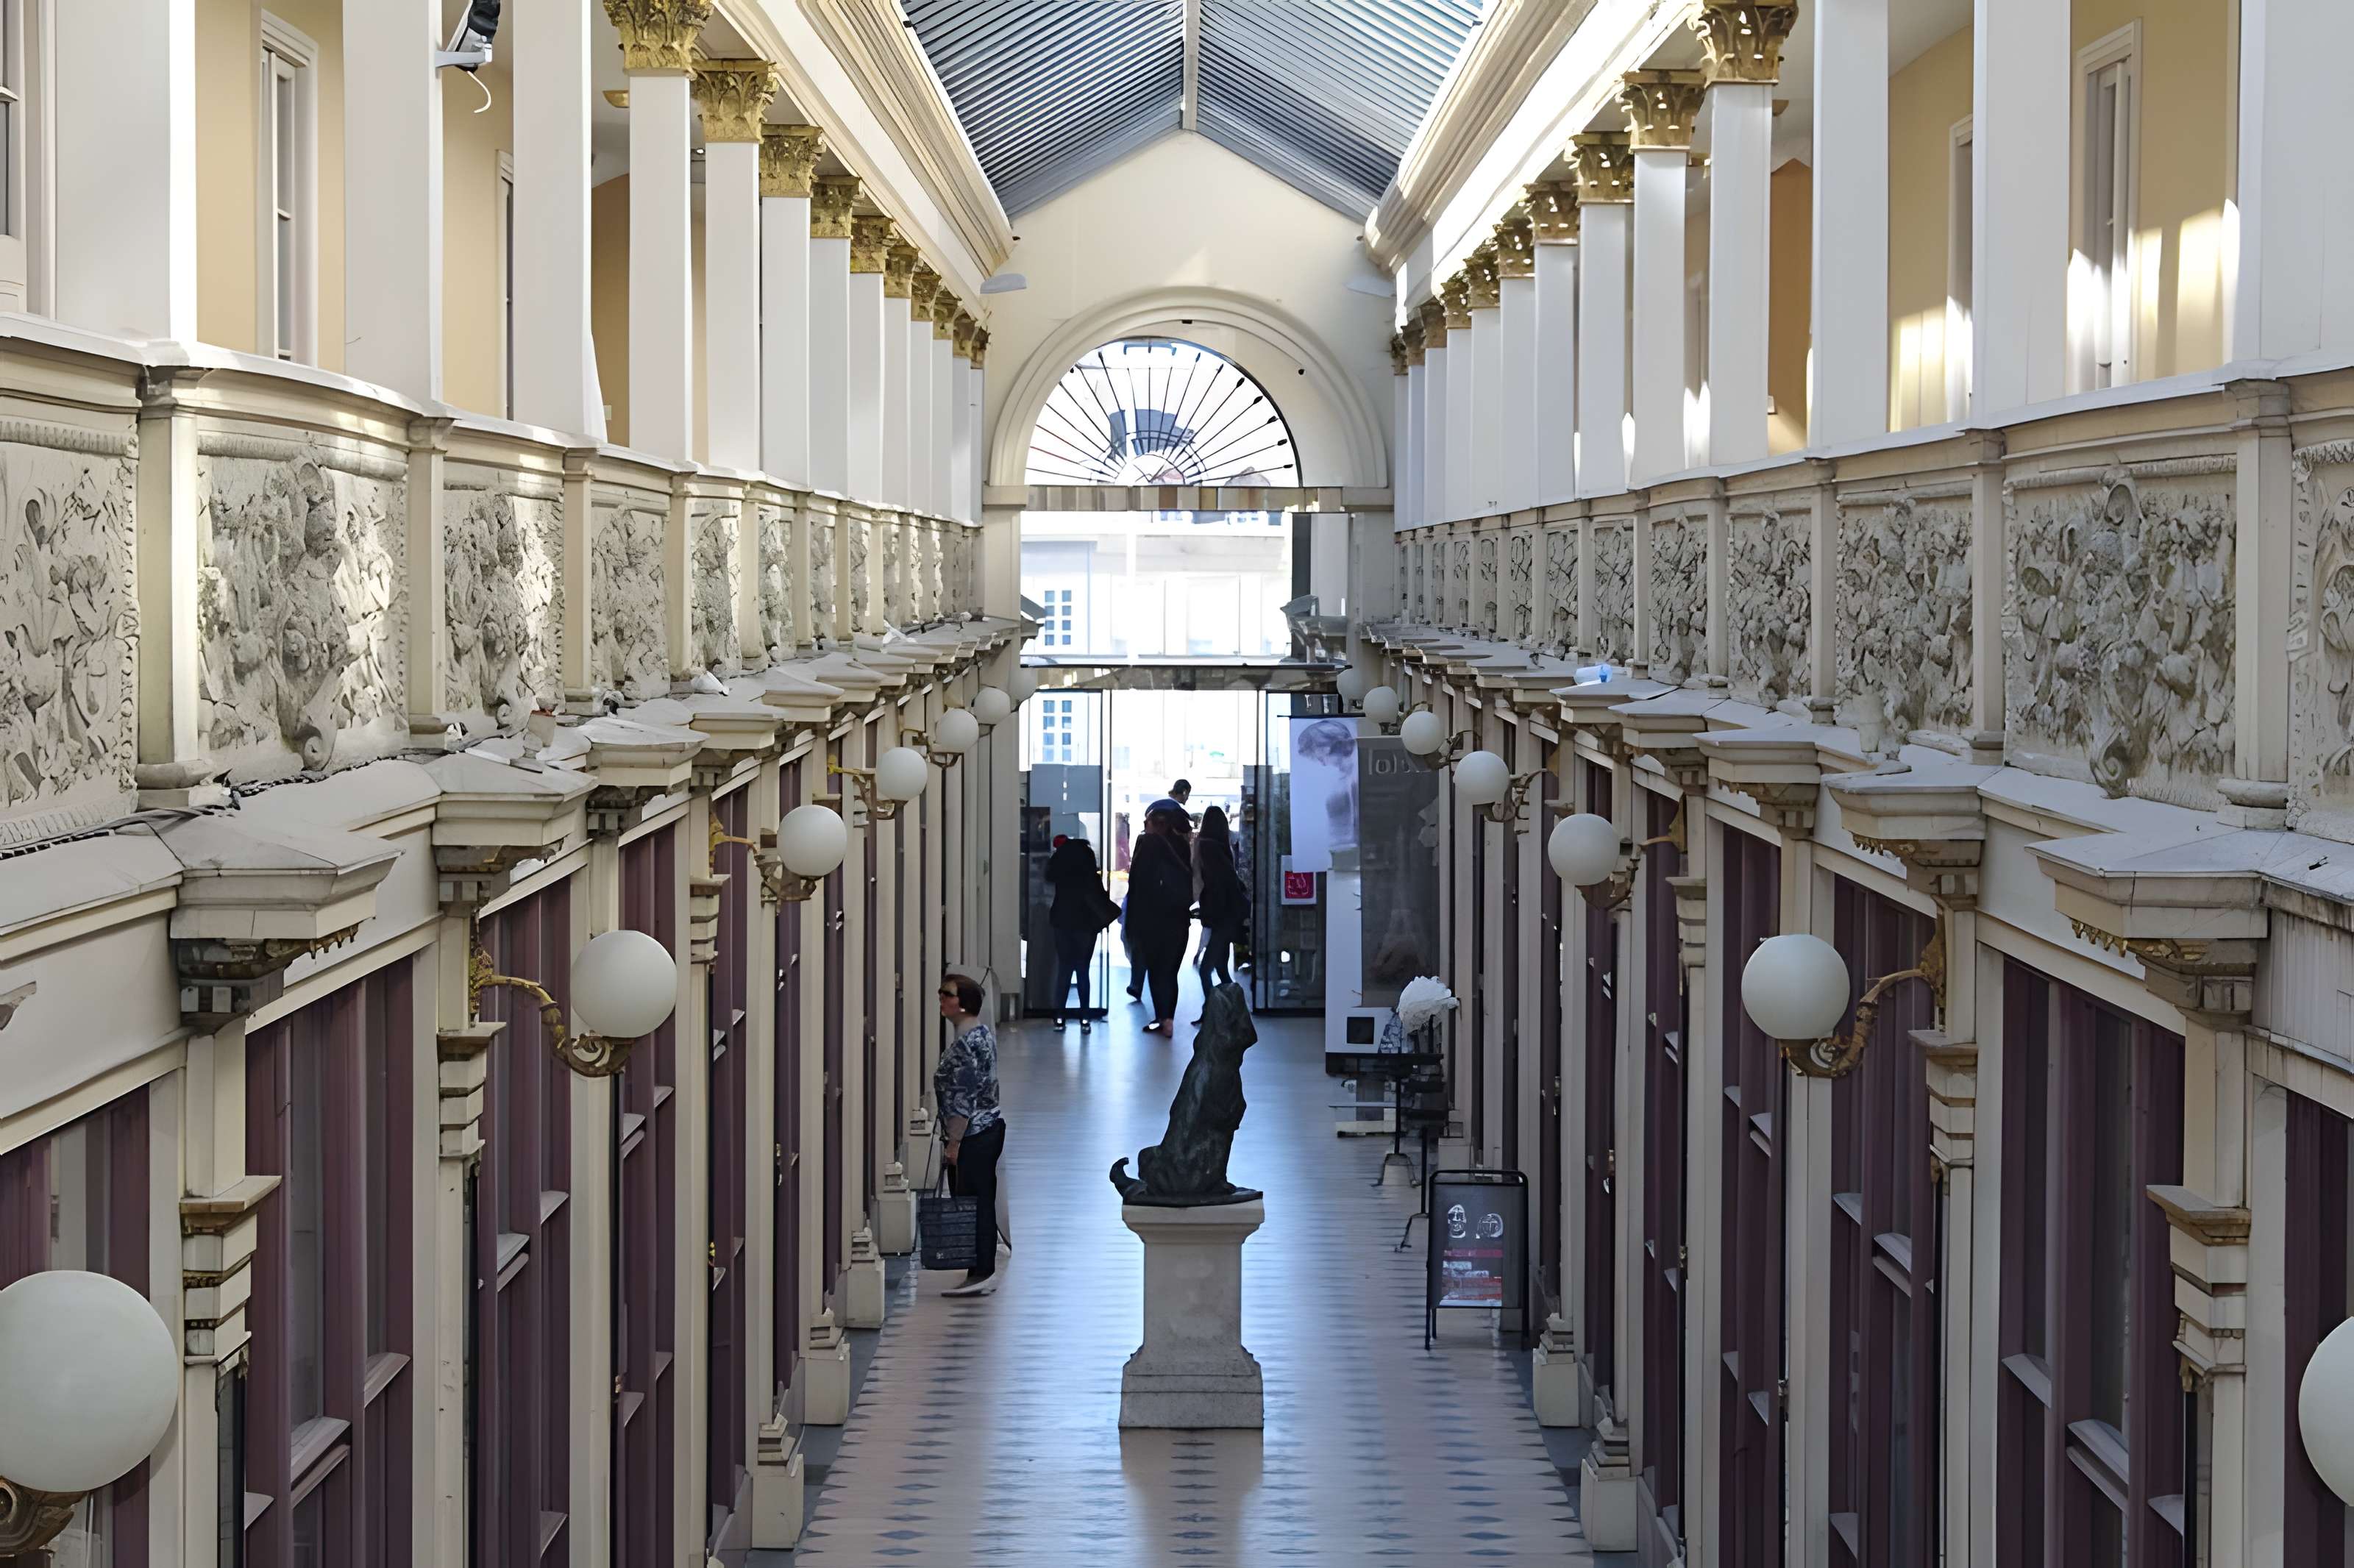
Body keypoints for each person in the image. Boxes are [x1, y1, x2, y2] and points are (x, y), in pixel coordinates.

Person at [934, 972, 1005, 1297]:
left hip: (974, 1135)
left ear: (963, 1003)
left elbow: (963, 1096)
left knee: (972, 1202)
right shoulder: (979, 1034)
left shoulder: (966, 1043)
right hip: (986, 1128)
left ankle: (981, 1270)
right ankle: (979, 1268)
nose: (941, 999)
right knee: (978, 1200)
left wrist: (954, 1144)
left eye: (947, 994)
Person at [1123, 805, 1195, 1034]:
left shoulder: (1147, 846)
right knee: (1170, 972)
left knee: (1156, 971)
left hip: (1152, 920)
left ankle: (1161, 1017)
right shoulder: (1182, 846)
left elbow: (1136, 887)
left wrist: (1132, 923)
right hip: (1178, 919)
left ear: (1156, 825)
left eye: (1147, 823)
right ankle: (1169, 1020)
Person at [1045, 835, 1113, 1032]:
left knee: (1064, 969)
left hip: (1062, 920)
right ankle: (1085, 1017)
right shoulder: (1089, 866)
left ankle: (1060, 1016)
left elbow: (1049, 878)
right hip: (1086, 922)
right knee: (1083, 969)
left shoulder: (1060, 866)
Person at [1193, 806, 1247, 991]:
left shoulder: (1206, 846)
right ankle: (1230, 1011)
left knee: (1206, 969)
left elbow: (1211, 881)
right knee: (1221, 968)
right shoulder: (1222, 846)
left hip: (1220, 917)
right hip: (1228, 915)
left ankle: (1214, 1013)